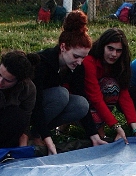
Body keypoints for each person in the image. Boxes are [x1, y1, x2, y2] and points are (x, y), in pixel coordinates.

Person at [27, 10, 106, 155]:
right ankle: (34, 135)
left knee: (81, 104)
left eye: (83, 58)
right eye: (76, 56)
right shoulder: (42, 63)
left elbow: (81, 94)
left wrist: (93, 134)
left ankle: (39, 132)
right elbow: (36, 103)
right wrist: (46, 138)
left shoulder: (77, 67)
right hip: (30, 108)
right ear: (63, 47)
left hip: (46, 109)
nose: (79, 62)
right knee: (61, 95)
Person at [83, 28, 136, 143]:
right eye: (110, 48)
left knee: (112, 87)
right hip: (81, 101)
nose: (114, 54)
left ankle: (99, 128)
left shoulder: (120, 64)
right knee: (110, 87)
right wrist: (116, 126)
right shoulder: (89, 61)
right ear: (102, 46)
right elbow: (95, 98)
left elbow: (124, 96)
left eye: (118, 51)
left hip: (95, 99)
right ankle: (96, 130)